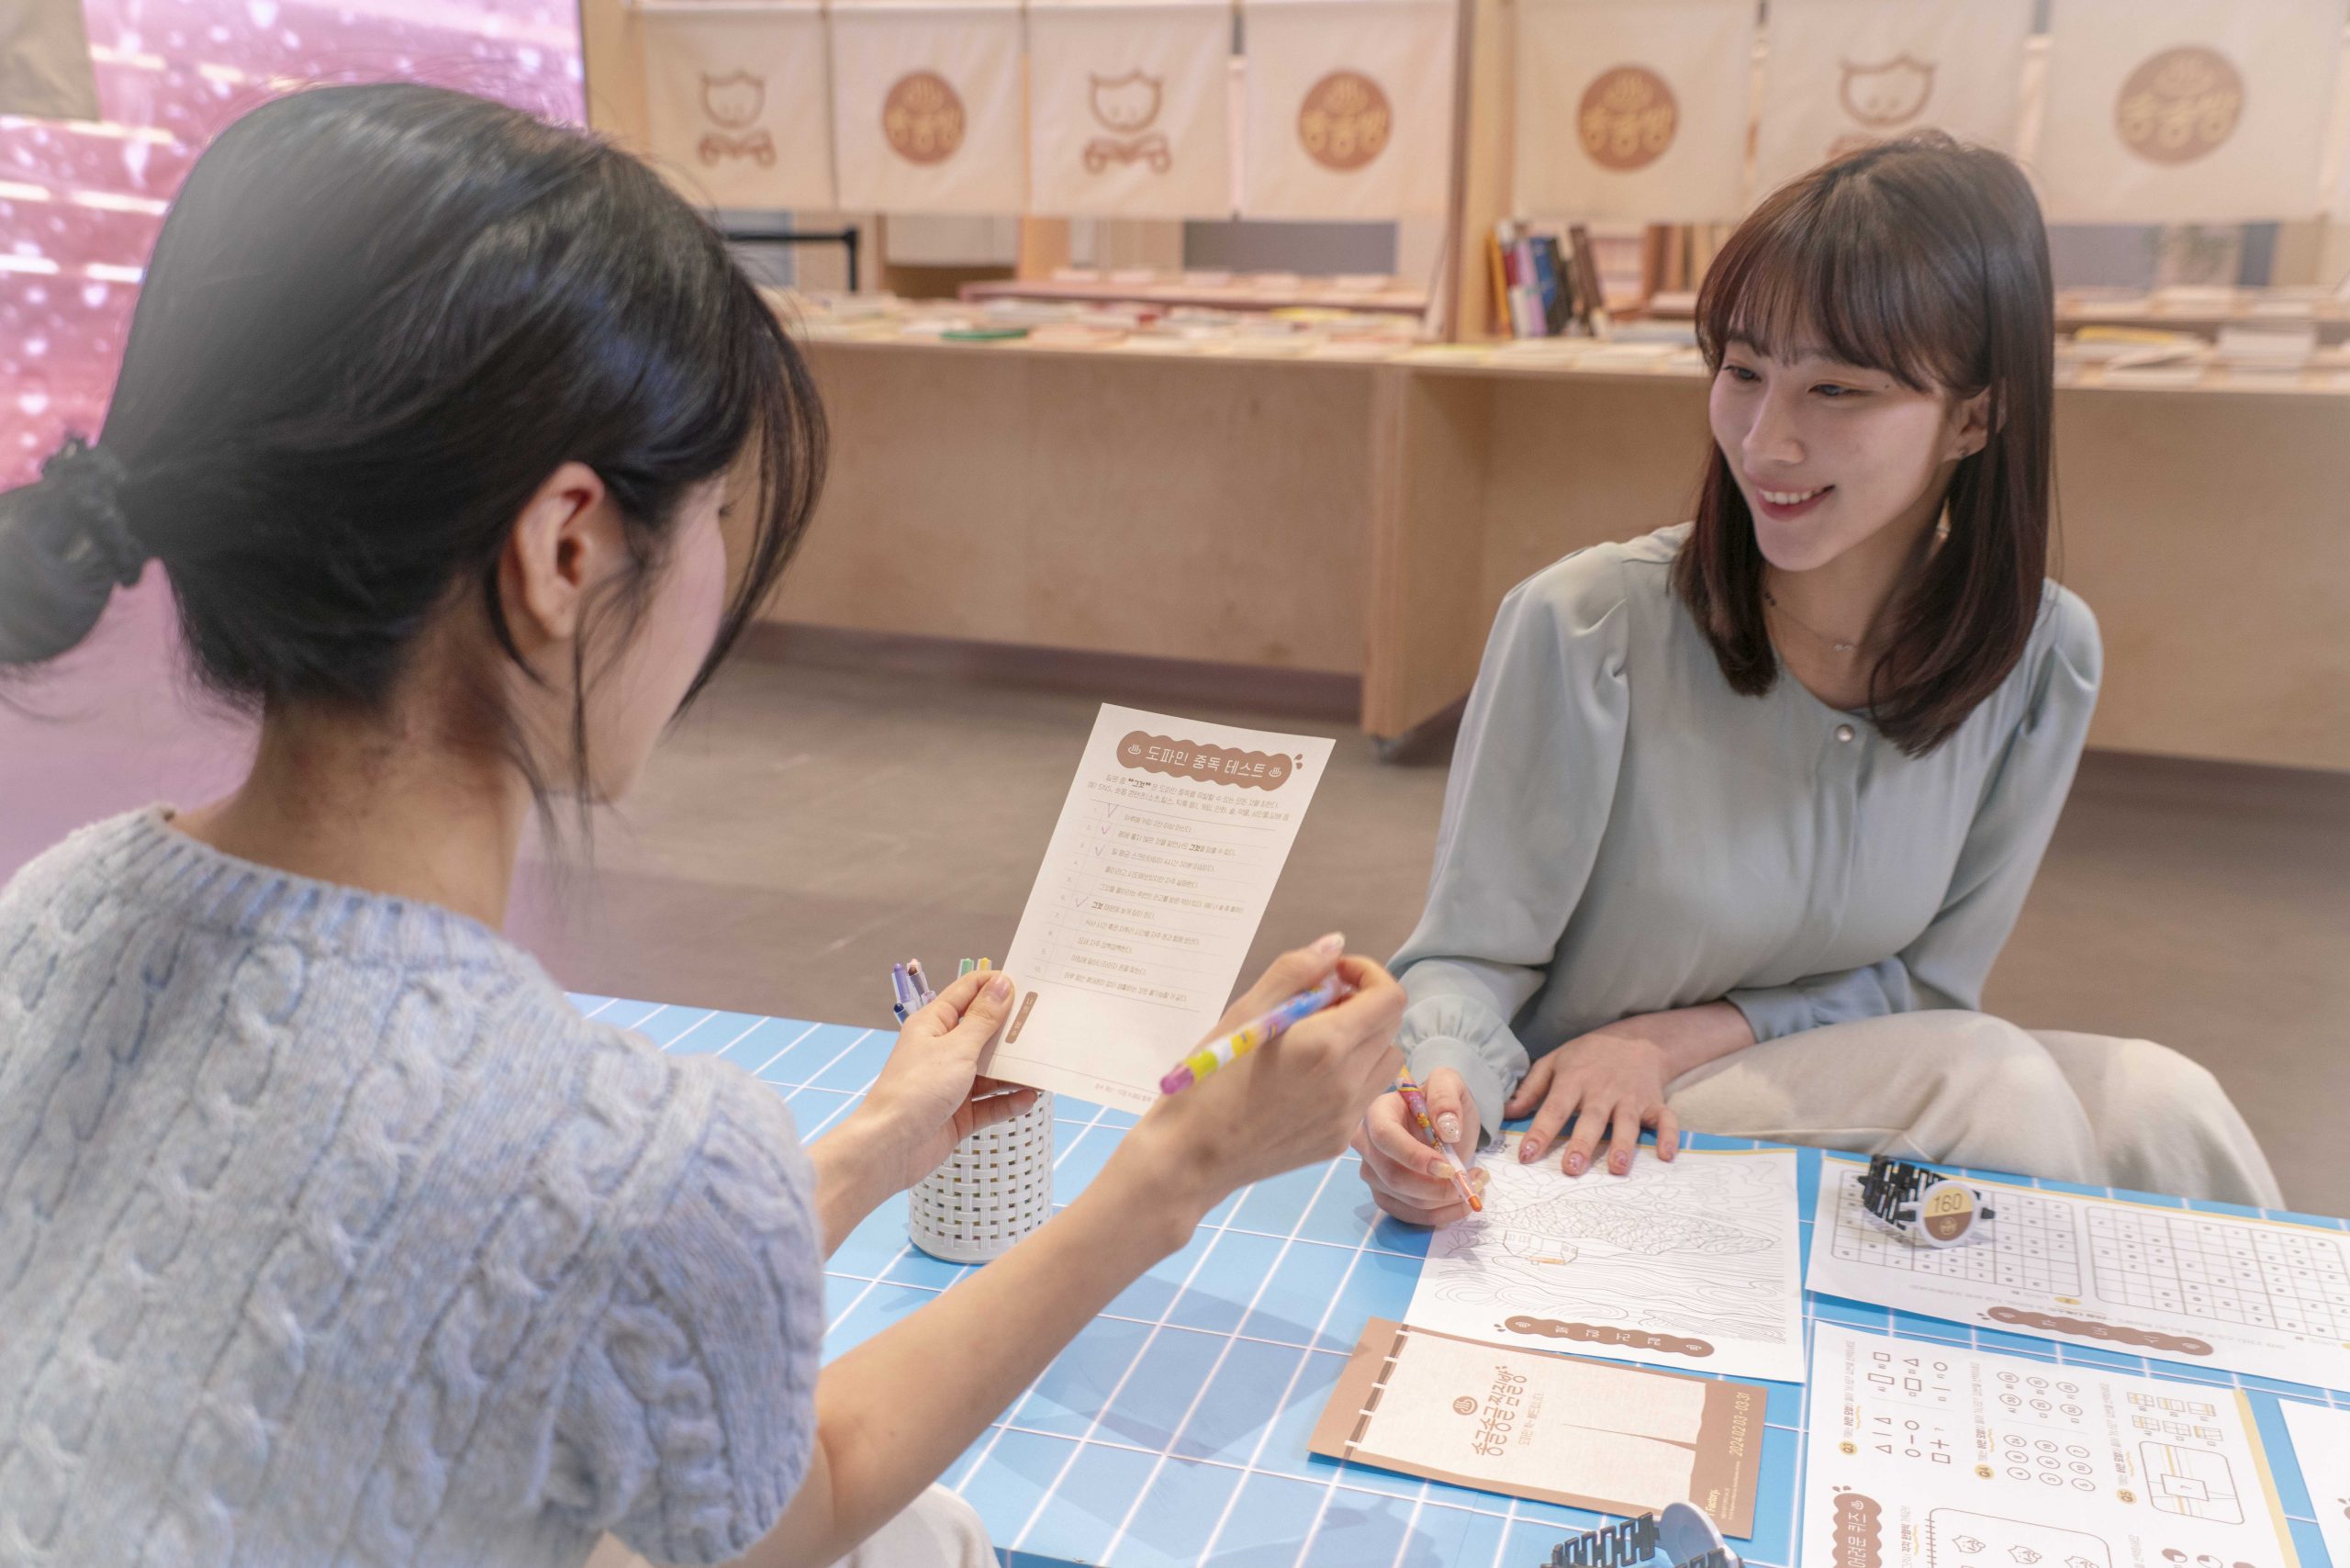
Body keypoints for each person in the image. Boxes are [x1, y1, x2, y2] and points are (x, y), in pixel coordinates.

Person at [0, 84, 1405, 1568]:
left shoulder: (52, 910)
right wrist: (1177, 1166)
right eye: (720, 507)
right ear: (566, 546)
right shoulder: (636, 1156)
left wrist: (870, 1142)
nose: (723, 570)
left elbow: (523, 1277)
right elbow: (797, 1500)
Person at [1353, 133, 2280, 1226]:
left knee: (2168, 1107)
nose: (1766, 439)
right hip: (1589, 1123)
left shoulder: (2041, 655)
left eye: (1837, 388)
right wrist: (1438, 1091)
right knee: (1992, 1087)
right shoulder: (1588, 622)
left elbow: (1930, 985)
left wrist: (1673, 1034)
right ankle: (2009, 1385)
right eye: (1743, 372)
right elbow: (1469, 954)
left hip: (1765, 1074)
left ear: (1975, 418)